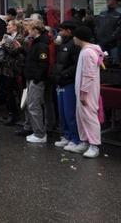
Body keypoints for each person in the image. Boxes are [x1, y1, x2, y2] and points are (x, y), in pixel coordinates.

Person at [69, 26, 103, 158]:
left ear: (79, 37)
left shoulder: (88, 52)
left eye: (75, 36)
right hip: (84, 91)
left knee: (89, 116)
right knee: (81, 116)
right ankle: (84, 142)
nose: (73, 38)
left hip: (87, 92)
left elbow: (89, 75)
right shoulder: (86, 51)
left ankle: (94, 145)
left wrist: (83, 93)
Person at [51, 21, 81, 150]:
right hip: (61, 81)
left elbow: (76, 65)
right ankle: (66, 136)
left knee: (69, 112)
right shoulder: (63, 43)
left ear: (68, 31)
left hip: (69, 82)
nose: (60, 33)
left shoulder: (74, 45)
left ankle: (75, 139)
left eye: (62, 30)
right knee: (62, 112)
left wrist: (64, 74)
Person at [22, 20, 50, 143]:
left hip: (36, 80)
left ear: (36, 30)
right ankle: (37, 132)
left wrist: (37, 79)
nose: (28, 31)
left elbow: (43, 64)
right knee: (31, 105)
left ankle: (40, 134)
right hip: (31, 78)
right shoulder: (36, 43)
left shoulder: (41, 44)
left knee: (34, 106)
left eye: (30, 29)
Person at [0, 20, 26, 125]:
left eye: (9, 25)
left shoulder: (20, 38)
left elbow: (14, 51)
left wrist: (3, 44)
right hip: (6, 69)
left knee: (14, 93)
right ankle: (11, 114)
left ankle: (16, 115)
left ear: (15, 27)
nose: (7, 26)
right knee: (8, 92)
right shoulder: (10, 37)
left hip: (14, 70)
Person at [95, 0, 121, 64]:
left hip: (114, 45)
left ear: (115, 1)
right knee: (100, 64)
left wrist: (111, 38)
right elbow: (97, 25)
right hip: (101, 44)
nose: (108, 0)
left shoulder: (119, 14)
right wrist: (97, 35)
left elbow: (119, 30)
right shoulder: (102, 13)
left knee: (115, 65)